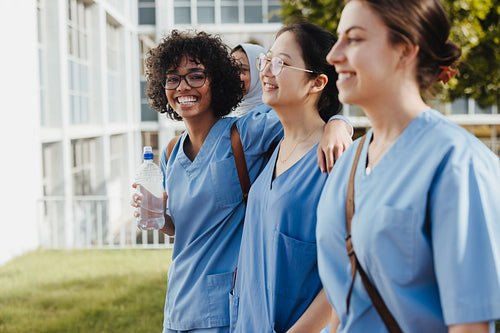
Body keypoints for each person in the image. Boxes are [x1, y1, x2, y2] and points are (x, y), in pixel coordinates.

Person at [131, 30, 352, 333]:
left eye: (196, 76)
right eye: (173, 78)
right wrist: (160, 218)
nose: (184, 86)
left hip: (225, 310)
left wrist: (340, 124)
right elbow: (182, 229)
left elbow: (309, 114)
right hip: (178, 303)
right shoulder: (171, 152)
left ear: (218, 81)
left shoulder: (246, 134)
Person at [316, 1, 500, 332]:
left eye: (354, 39)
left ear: (404, 51)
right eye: (338, 38)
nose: (333, 55)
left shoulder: (457, 163)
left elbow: (470, 324)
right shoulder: (348, 164)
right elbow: (343, 305)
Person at [230, 22, 343, 333]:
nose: (267, 70)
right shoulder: (273, 149)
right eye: (267, 59)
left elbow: (350, 268)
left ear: (317, 82)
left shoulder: (336, 159)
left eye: (281, 62)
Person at [229, 43, 266, 117]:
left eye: (242, 69)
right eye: (231, 69)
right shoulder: (229, 114)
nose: (234, 75)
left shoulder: (271, 118)